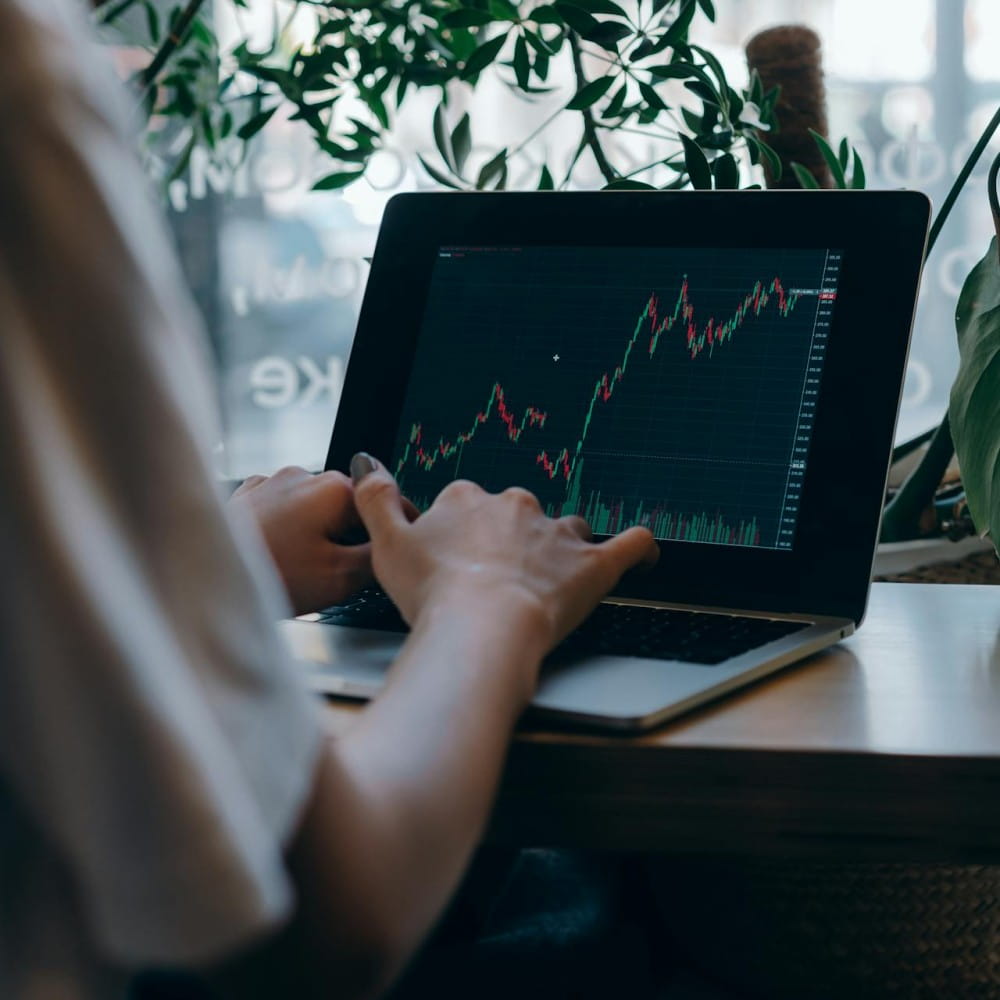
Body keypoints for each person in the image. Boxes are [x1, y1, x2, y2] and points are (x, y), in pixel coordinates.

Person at [0, 1, 659, 998]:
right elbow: (321, 933)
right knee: (580, 902)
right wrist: (489, 596)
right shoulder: (20, 85)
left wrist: (197, 574)